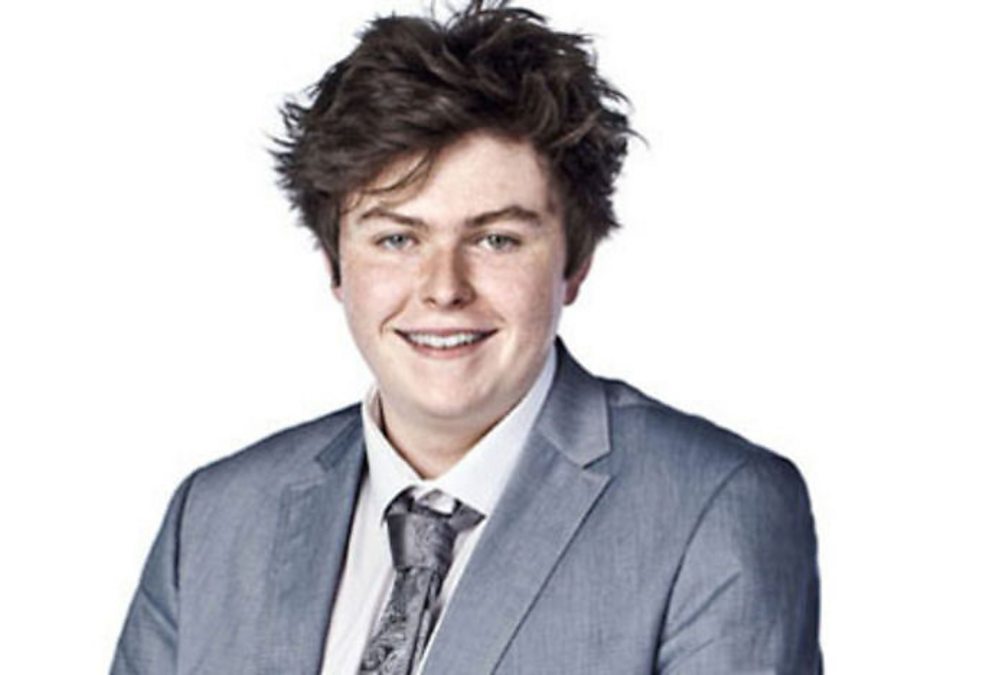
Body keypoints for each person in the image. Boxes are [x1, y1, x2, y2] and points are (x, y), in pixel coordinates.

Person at [110, 1, 822, 673]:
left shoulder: (714, 507)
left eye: (496, 239)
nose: (443, 287)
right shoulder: (215, 517)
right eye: (397, 238)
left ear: (574, 264)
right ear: (335, 265)